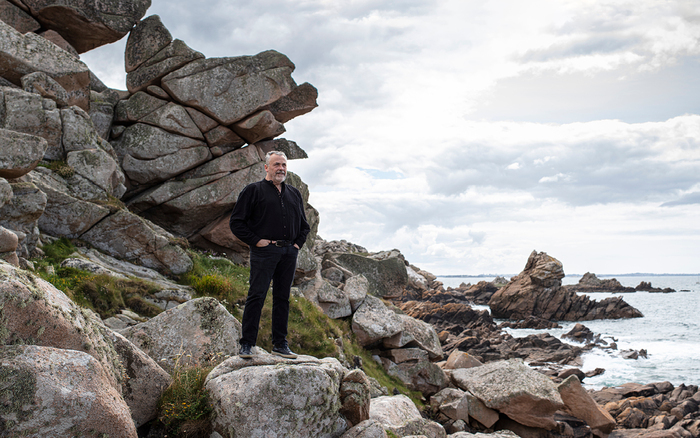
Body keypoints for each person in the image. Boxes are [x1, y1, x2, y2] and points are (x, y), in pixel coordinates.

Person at [229, 150, 310, 359]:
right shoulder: (253, 191)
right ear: (266, 167)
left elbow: (304, 226)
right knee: (257, 296)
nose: (280, 168)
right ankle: (247, 344)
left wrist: (296, 246)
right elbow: (236, 222)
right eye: (276, 165)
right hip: (264, 252)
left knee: (282, 298)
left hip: (288, 253)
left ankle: (280, 344)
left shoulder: (294, 193)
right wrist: (257, 241)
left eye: (283, 165)